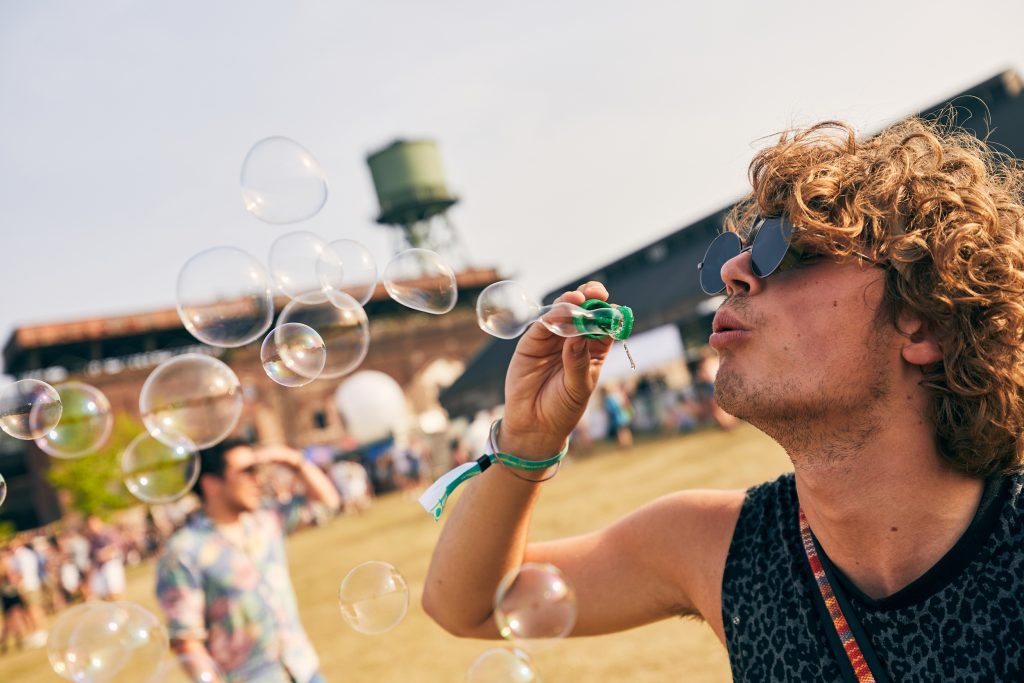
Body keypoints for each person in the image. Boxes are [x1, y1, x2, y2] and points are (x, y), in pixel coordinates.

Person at [422, 118, 1024, 681]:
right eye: (741, 250)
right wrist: (527, 442)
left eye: (797, 250)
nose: (736, 269)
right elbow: (470, 606)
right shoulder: (721, 548)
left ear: (922, 325)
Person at [155, 439, 340, 683]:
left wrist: (295, 461)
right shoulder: (185, 551)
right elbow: (186, 640)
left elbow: (329, 502)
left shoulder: (264, 521)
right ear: (211, 484)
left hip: (303, 670)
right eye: (246, 472)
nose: (258, 480)